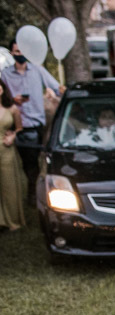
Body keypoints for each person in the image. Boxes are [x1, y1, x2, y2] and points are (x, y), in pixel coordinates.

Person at [1, 38, 63, 201]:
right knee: (28, 164)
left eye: (22, 51)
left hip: (38, 124)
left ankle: (35, 194)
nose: (20, 54)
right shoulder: (5, 75)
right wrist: (14, 100)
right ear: (12, 53)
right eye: (16, 52)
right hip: (19, 124)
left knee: (39, 162)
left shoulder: (37, 70)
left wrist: (58, 92)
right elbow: (3, 98)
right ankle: (32, 195)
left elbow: (57, 87)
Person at [0, 80, 26, 231]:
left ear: (3, 89)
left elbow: (20, 128)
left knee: (8, 185)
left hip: (6, 150)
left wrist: (13, 136)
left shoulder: (12, 108)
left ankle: (12, 221)